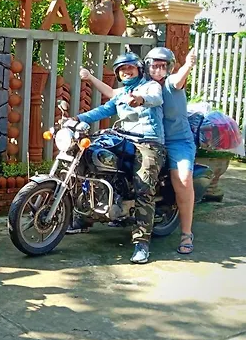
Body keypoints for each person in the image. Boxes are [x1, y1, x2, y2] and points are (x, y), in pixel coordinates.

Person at [79, 47, 197, 254]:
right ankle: (86, 215)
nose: (158, 70)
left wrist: (189, 64)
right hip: (132, 138)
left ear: (169, 68)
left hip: (174, 141)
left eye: (163, 66)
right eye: (154, 65)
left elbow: (170, 86)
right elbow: (111, 98)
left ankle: (184, 233)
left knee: (182, 180)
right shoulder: (135, 86)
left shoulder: (165, 84)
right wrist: (78, 116)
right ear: (146, 66)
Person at [69, 52, 166, 264]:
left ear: (139, 69)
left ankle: (142, 243)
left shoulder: (150, 86)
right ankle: (83, 218)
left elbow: (155, 98)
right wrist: (76, 118)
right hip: (122, 138)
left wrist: (140, 100)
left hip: (148, 142)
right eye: (122, 69)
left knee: (143, 186)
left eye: (130, 67)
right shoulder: (121, 93)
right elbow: (103, 110)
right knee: (88, 161)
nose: (126, 71)